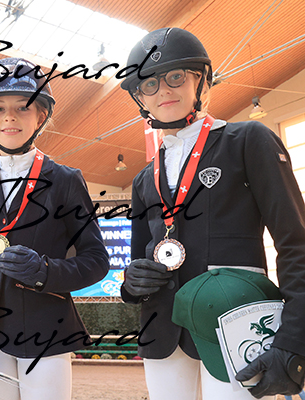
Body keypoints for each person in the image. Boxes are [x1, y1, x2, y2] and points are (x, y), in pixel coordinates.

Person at [120, 27, 305, 399]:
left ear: (200, 81)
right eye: (150, 84)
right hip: (163, 331)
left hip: (235, 322)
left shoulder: (247, 140)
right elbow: (140, 258)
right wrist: (132, 282)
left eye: (175, 76)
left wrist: (293, 336)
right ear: (141, 98)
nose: (164, 90)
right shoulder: (143, 179)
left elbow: (295, 243)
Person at [0, 57, 109, 400]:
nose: (10, 117)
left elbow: (96, 260)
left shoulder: (66, 181)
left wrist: (45, 271)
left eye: (23, 107)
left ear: (41, 116)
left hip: (46, 328)